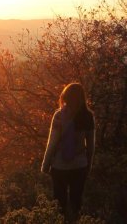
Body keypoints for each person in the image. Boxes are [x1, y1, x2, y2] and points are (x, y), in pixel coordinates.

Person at [41, 82, 95, 220]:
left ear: (65, 97)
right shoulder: (88, 116)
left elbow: (52, 143)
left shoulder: (59, 115)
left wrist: (45, 166)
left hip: (59, 166)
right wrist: (88, 166)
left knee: (59, 203)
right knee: (76, 202)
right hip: (80, 166)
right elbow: (91, 146)